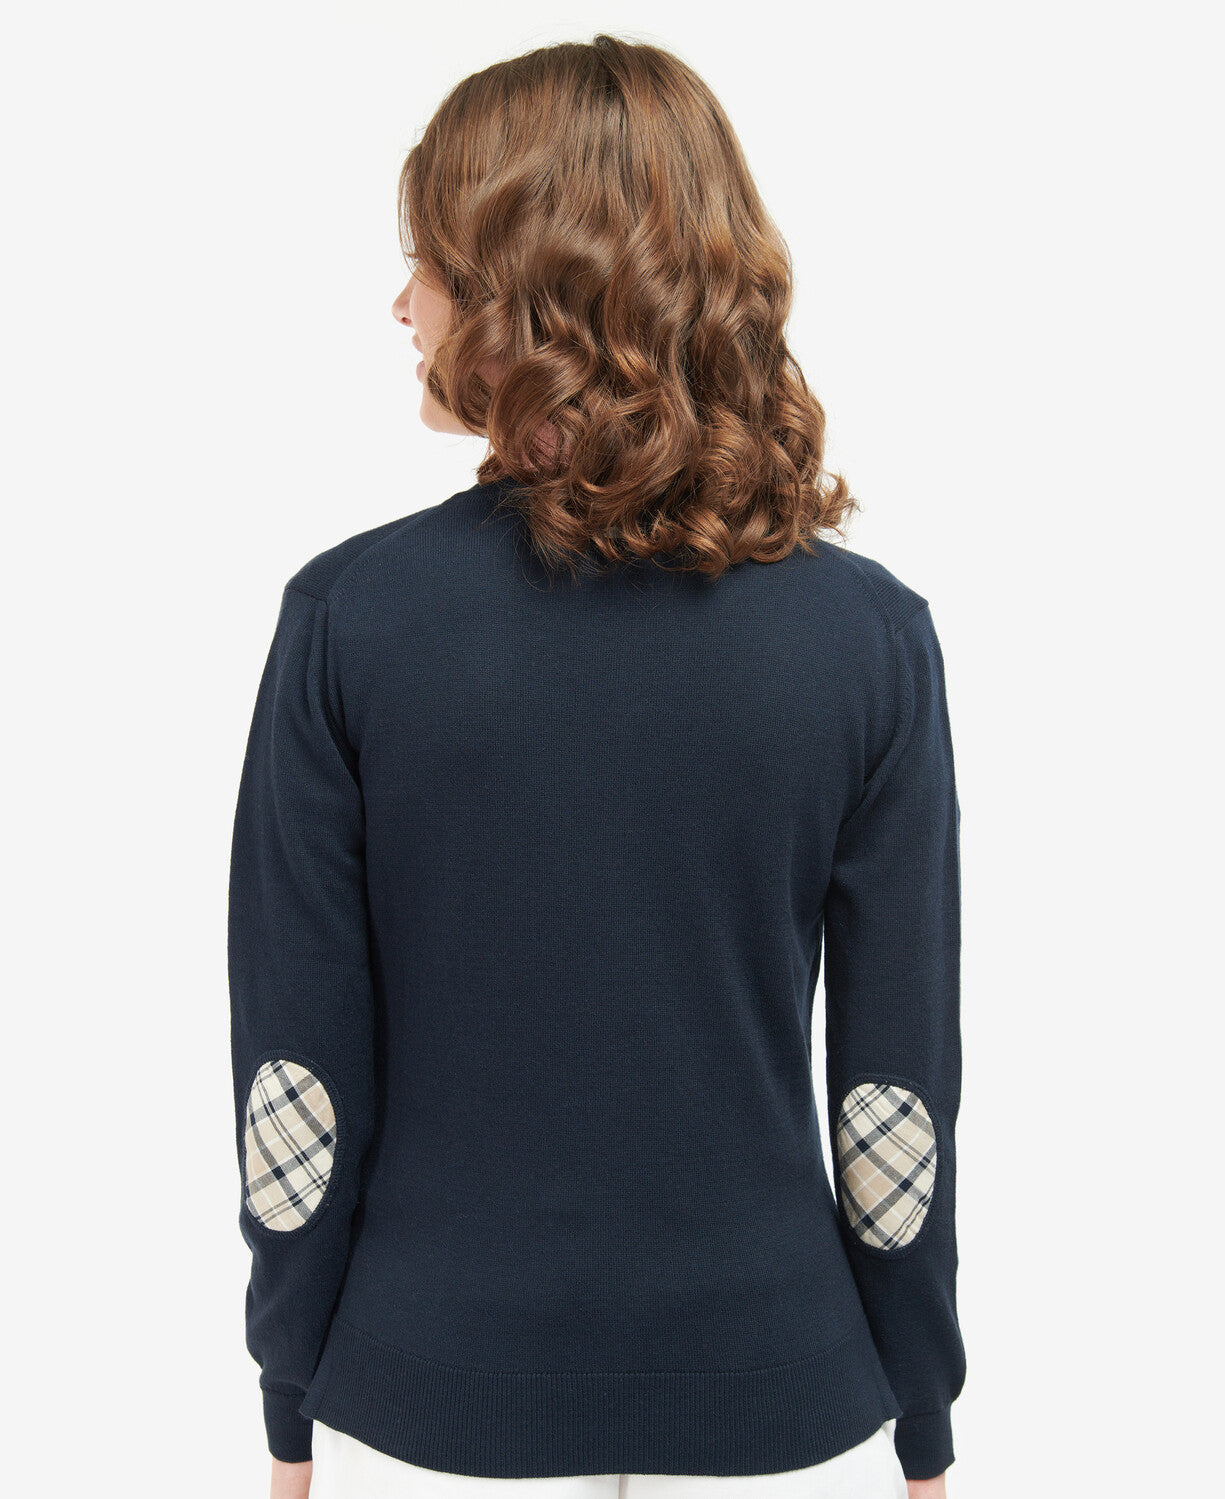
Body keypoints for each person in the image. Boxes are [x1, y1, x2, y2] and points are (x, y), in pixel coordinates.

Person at [228, 33, 966, 1499]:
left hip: (425, 1410)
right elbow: (896, 1098)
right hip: (783, 1403)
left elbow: (294, 1076)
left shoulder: (348, 620)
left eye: (428, 262)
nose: (401, 303)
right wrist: (923, 1422)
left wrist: (290, 1403)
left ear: (525, 290)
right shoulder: (870, 640)